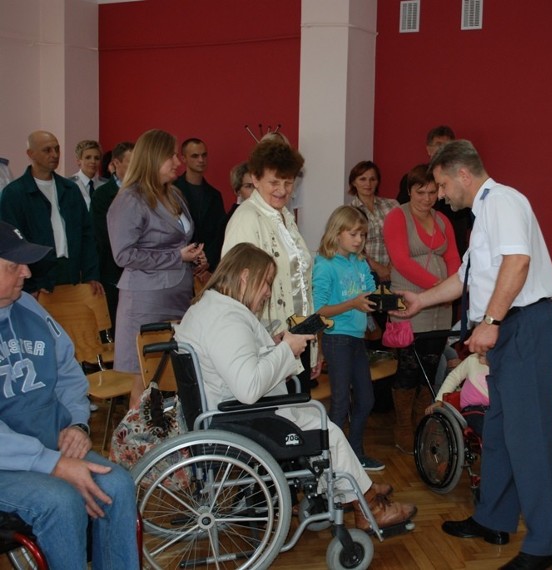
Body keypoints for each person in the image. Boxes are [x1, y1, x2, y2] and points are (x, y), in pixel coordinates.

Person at [392, 140, 552, 570]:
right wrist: (421, 301)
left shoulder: (504, 201)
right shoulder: (483, 214)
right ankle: (495, 519)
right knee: (503, 432)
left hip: (526, 327)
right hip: (510, 330)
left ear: (463, 174)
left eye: (442, 184)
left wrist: (490, 320)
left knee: (531, 439)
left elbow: (518, 262)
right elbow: (463, 277)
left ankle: (547, 546)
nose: (441, 194)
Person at [173, 242, 416, 530]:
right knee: (327, 430)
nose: (267, 292)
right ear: (245, 276)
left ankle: (361, 490)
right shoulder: (227, 319)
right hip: (238, 418)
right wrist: (287, 349)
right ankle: (368, 506)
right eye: (266, 283)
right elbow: (249, 387)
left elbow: (235, 364)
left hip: (223, 413)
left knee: (318, 419)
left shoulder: (210, 307)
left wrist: (275, 346)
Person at [0, 221, 139, 569]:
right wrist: (53, 464)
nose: (27, 272)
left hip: (51, 448)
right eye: (13, 265)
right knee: (60, 501)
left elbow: (69, 374)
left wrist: (77, 424)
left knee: (119, 485)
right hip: (9, 464)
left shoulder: (29, 310)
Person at [107, 129, 206, 408]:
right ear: (152, 159)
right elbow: (123, 254)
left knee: (173, 378)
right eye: (171, 155)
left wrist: (195, 256)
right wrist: (177, 257)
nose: (177, 161)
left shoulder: (174, 194)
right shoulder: (130, 199)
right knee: (145, 381)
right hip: (146, 301)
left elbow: (180, 240)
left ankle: (168, 443)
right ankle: (138, 447)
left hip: (178, 297)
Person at [223, 138, 320, 395]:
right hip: (269, 346)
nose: (282, 190)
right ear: (255, 178)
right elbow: (236, 293)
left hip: (297, 340)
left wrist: (313, 345)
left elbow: (301, 286)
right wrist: (269, 342)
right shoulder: (246, 219)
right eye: (274, 182)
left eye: (288, 182)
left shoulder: (285, 217)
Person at [383, 164, 461, 453]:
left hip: (440, 304)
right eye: (420, 192)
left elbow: (453, 255)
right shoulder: (396, 216)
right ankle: (403, 424)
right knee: (408, 367)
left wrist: (452, 285)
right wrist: (440, 286)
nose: (427, 198)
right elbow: (401, 261)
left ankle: (421, 421)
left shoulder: (443, 220)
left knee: (431, 365)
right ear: (409, 191)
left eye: (432, 192)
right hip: (410, 302)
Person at [313, 205, 384, 471]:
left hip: (357, 338)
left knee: (366, 399)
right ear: (336, 232)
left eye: (362, 235)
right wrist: (353, 304)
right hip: (336, 338)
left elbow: (370, 292)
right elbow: (319, 311)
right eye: (353, 234)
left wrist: (387, 300)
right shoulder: (324, 264)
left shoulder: (359, 261)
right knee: (341, 401)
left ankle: (353, 452)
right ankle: (328, 458)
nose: (358, 240)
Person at [0, 130, 102, 298]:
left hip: (70, 271)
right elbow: (12, 245)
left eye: (57, 149)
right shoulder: (15, 193)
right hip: (36, 276)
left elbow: (86, 234)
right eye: (47, 150)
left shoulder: (70, 189)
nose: (54, 155)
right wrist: (30, 284)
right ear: (30, 154)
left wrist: (91, 275)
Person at [397, 125, 471, 259]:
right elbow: (403, 213)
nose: (442, 148)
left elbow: (469, 218)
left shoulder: (463, 181)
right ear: (428, 149)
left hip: (456, 250)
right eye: (438, 144)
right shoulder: (411, 179)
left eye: (447, 145)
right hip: (419, 251)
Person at [92, 141, 134, 335]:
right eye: (131, 162)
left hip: (138, 273)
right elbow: (102, 236)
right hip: (113, 272)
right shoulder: (102, 195)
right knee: (117, 330)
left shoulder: (144, 193)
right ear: (116, 163)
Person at [172, 137, 227, 275]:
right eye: (195, 156)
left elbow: (219, 233)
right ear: (183, 158)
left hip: (207, 267)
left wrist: (208, 261)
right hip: (178, 265)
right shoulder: (171, 191)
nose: (201, 160)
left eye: (204, 155)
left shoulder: (214, 195)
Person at [348, 161, 398, 286]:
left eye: (372, 179)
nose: (368, 184)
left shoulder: (392, 205)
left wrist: (391, 265)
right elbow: (351, 246)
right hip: (364, 272)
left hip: (395, 270)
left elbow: (401, 237)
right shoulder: (349, 211)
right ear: (354, 182)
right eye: (362, 179)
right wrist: (377, 267)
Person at [426, 352, 490, 436]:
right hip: (472, 409)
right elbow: (454, 376)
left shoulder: (504, 364)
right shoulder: (473, 359)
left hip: (494, 409)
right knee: (488, 429)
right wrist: (440, 400)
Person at [70, 139, 108, 210]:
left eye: (97, 158)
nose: (93, 161)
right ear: (79, 161)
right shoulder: (69, 185)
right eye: (88, 157)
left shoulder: (106, 184)